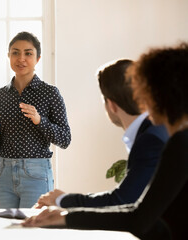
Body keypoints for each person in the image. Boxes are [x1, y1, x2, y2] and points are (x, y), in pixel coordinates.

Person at [23, 43, 188, 240]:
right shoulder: (179, 139)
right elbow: (146, 212)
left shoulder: (179, 143)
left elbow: (140, 218)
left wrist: (67, 217)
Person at [34, 59, 168, 209]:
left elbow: (122, 200)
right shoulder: (155, 131)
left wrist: (62, 200)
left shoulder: (150, 140)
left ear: (111, 105)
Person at [0, 31, 71, 208]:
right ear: (8, 56)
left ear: (38, 58)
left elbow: (65, 139)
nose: (21, 58)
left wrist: (40, 121)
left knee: (34, 232)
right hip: (2, 174)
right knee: (3, 230)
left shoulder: (50, 93)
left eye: (28, 53)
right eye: (15, 52)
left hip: (36, 175)